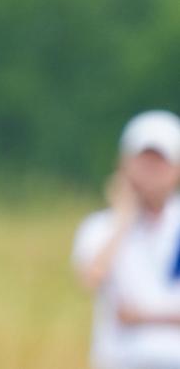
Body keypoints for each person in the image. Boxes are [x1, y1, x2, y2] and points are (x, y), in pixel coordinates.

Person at [73, 110, 180, 369]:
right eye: (144, 163)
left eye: (159, 164)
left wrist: (139, 317)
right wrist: (124, 219)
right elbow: (91, 277)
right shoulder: (100, 227)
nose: (151, 173)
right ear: (124, 164)